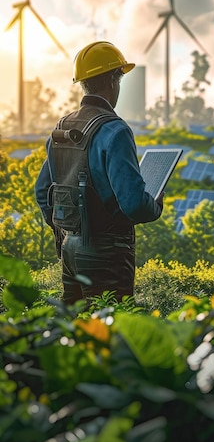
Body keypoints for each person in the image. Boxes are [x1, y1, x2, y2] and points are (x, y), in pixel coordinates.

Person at [35, 41, 163, 304]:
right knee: (110, 331)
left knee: (75, 333)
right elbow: (134, 205)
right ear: (112, 81)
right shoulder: (115, 131)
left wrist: (66, 228)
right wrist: (155, 205)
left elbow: (41, 192)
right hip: (107, 254)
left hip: (69, 249)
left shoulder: (62, 127)